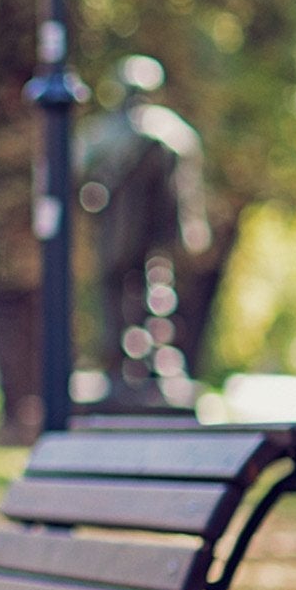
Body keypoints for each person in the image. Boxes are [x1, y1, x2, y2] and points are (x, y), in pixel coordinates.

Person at [76, 55, 210, 400]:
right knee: (144, 294)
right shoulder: (170, 132)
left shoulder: (111, 132)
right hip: (144, 237)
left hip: (136, 237)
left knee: (145, 295)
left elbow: (81, 174)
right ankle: (135, 363)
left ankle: (138, 363)